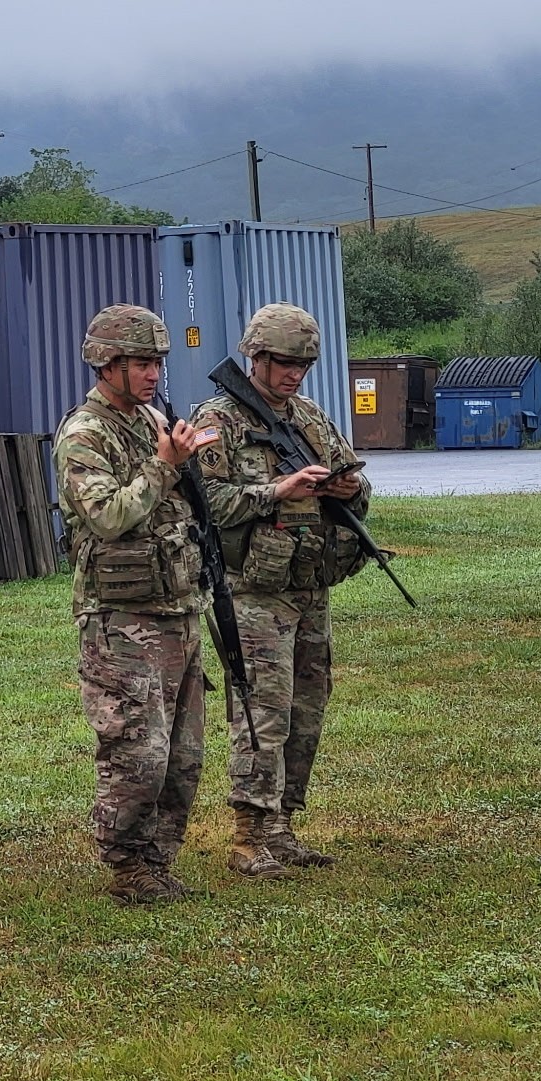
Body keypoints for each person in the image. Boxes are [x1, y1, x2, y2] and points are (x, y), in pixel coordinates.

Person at [192, 303, 371, 878]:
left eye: (303, 365)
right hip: (254, 591)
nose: (294, 374)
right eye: (284, 363)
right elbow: (205, 504)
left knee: (306, 709)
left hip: (309, 585)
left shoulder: (310, 418)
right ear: (255, 357)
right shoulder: (218, 420)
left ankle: (282, 827)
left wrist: (347, 488)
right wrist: (277, 490)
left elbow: (356, 483)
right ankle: (249, 836)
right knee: (261, 711)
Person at [53, 305, 211, 906]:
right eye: (141, 363)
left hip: (176, 609)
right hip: (122, 619)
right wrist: (164, 465)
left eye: (157, 363)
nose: (153, 374)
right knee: (136, 751)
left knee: (183, 755)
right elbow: (108, 515)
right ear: (106, 363)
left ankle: (157, 861)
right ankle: (127, 866)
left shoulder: (151, 420)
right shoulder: (85, 434)